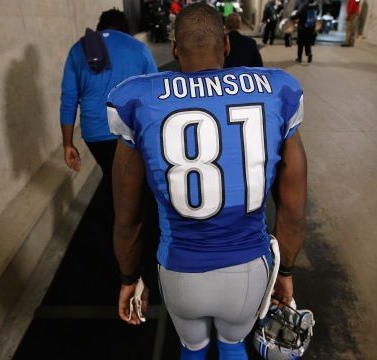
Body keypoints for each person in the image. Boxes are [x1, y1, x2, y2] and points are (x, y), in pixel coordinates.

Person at [107, 3, 307, 359]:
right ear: (227, 46)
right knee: (233, 347)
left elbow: (126, 216)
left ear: (174, 48)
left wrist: (128, 277)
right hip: (248, 268)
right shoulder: (277, 89)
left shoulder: (137, 99)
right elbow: (293, 208)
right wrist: (286, 270)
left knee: (192, 349)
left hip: (181, 269)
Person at [60, 8, 158, 218]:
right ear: (125, 28)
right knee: (134, 179)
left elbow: (68, 99)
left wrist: (67, 143)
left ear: (99, 27)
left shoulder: (79, 49)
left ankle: (116, 215)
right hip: (131, 133)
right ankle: (130, 222)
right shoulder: (138, 48)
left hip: (95, 135)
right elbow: (155, 94)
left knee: (111, 175)